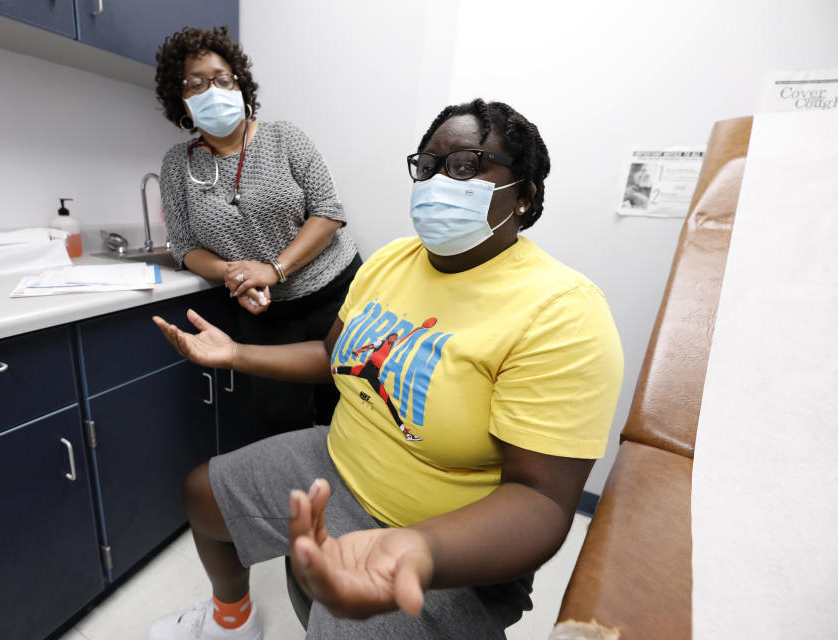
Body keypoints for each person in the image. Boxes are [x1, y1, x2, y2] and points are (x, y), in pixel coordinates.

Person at [148, 98, 624, 639]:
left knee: (344, 627)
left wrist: (418, 548)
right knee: (203, 493)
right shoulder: (392, 260)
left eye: (466, 165)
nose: (439, 179)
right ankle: (232, 620)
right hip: (340, 461)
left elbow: (541, 501)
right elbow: (336, 358)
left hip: (447, 531)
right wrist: (236, 353)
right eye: (427, 165)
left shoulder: (562, 311)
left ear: (524, 195)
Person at [155, 26, 360, 438]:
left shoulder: (285, 137)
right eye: (195, 84)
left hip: (338, 296)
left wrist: (275, 269)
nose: (211, 90)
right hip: (266, 313)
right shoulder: (178, 164)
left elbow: (328, 212)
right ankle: (299, 503)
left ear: (241, 85)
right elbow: (185, 246)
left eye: (221, 79)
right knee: (282, 424)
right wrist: (238, 273)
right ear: (181, 102)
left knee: (352, 411)